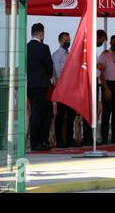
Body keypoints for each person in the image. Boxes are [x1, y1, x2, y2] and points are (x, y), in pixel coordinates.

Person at [27, 23, 54, 151]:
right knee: (40, 114)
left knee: (34, 113)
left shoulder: (26, 47)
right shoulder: (44, 48)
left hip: (30, 84)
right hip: (41, 85)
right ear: (41, 33)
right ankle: (38, 142)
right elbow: (49, 67)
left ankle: (36, 141)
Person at [52, 32, 78, 148]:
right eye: (66, 40)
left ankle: (69, 138)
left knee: (71, 115)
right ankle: (59, 139)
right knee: (61, 115)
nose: (68, 42)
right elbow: (57, 72)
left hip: (72, 89)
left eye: (69, 40)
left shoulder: (70, 54)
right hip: (62, 88)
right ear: (60, 41)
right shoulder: (56, 55)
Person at [82, 29, 107, 146]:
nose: (101, 43)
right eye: (101, 40)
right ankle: (87, 137)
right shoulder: (89, 48)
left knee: (94, 110)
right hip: (89, 83)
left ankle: (90, 136)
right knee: (89, 109)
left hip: (95, 82)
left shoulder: (94, 50)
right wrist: (98, 66)